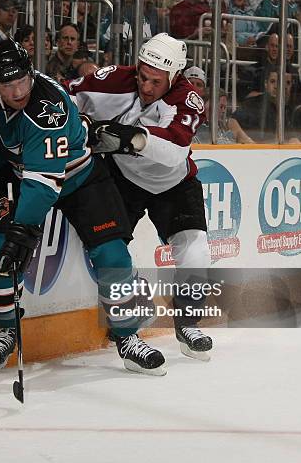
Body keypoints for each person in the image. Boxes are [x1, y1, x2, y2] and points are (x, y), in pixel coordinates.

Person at [0, 38, 168, 375]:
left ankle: (127, 335)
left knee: (112, 255)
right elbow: (1, 137)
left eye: (23, 81)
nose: (18, 91)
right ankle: (7, 326)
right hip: (21, 173)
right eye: (8, 85)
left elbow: (43, 186)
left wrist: (24, 230)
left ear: (31, 73)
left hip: (78, 176)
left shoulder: (47, 107)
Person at [67, 33, 214, 361]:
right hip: (121, 179)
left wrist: (130, 138)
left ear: (174, 77)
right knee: (108, 250)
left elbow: (175, 151)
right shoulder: (115, 79)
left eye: (155, 81)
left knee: (197, 252)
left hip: (174, 184)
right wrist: (80, 122)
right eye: (142, 77)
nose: (146, 87)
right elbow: (65, 94)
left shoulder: (188, 100)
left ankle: (187, 322)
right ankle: (124, 314)